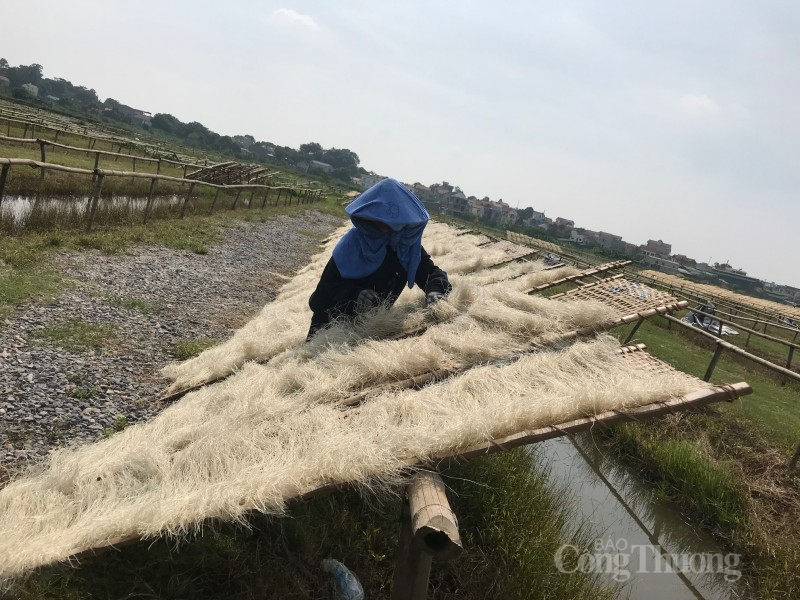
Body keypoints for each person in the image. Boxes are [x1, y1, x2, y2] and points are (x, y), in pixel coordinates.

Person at [307, 178, 451, 340]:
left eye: (384, 219)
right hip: (327, 330)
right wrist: (356, 296)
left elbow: (431, 273)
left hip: (368, 332)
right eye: (374, 218)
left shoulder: (406, 247)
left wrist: (435, 290)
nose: (377, 222)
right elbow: (324, 292)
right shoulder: (353, 244)